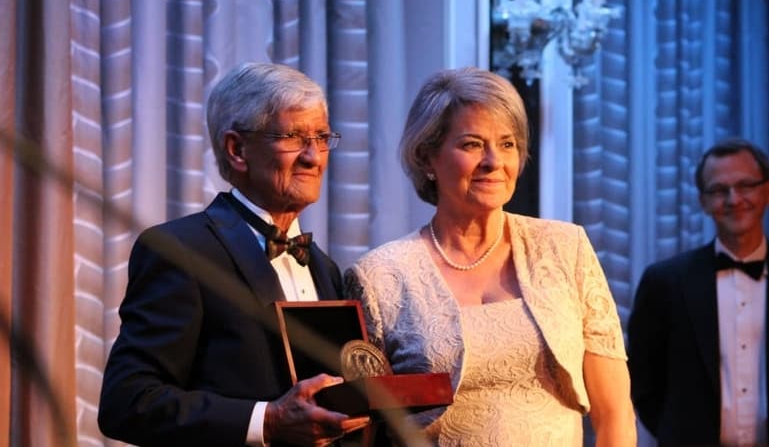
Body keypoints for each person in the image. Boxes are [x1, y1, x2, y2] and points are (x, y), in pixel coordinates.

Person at [343, 67, 637, 446]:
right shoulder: (379, 276)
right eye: (472, 144)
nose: (494, 161)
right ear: (427, 157)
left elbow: (614, 415)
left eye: (508, 144)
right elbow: (365, 430)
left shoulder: (566, 248)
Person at [98, 62, 369, 446]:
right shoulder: (180, 251)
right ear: (237, 149)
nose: (314, 156)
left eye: (322, 137)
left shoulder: (325, 268)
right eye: (294, 136)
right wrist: (268, 421)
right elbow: (128, 402)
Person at [628, 138, 769, 446]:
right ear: (702, 201)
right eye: (718, 190)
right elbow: (643, 380)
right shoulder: (664, 282)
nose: (733, 199)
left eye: (746, 185)